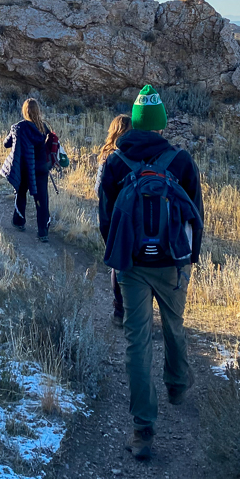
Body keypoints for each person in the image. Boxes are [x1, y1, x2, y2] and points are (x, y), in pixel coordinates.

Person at [97, 85, 204, 460]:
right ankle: (176, 386)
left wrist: (121, 254)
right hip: (173, 263)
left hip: (132, 266)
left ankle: (143, 430)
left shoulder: (115, 162)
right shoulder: (181, 161)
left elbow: (106, 219)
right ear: (160, 123)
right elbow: (196, 214)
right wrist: (190, 258)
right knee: (175, 325)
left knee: (137, 342)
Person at [95, 114, 132, 328]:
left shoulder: (107, 155)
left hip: (110, 214)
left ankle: (119, 309)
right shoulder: (132, 156)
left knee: (116, 262)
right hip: (129, 214)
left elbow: (98, 189)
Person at [0, 98, 52, 242]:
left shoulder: (19, 127)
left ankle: (19, 222)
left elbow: (6, 143)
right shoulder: (44, 128)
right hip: (41, 169)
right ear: (38, 111)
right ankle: (43, 232)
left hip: (24, 167)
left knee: (21, 193)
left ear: (24, 111)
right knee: (41, 199)